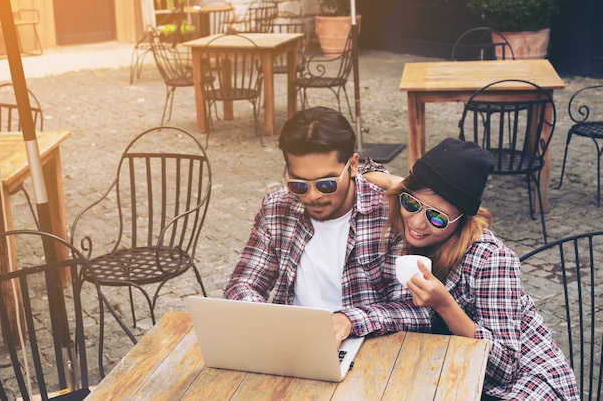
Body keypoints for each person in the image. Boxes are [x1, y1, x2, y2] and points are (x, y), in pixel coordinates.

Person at [381, 138, 579, 400]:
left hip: (523, 386)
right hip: (452, 373)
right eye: (412, 204)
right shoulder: (403, 233)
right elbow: (352, 169)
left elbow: (506, 367)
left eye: (437, 217)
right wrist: (386, 180)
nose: (417, 222)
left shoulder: (491, 259)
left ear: (461, 221)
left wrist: (445, 306)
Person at [223, 106, 431, 345]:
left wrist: (349, 321)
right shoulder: (278, 206)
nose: (312, 196)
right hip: (290, 344)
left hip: (369, 350)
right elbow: (242, 284)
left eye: (326, 184)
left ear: (353, 166)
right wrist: (269, 321)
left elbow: (417, 311)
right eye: (299, 185)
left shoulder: (389, 213)